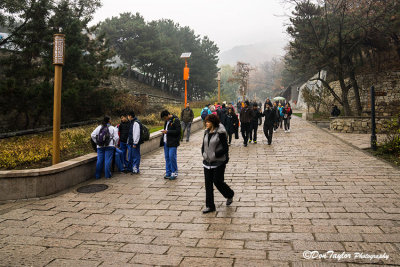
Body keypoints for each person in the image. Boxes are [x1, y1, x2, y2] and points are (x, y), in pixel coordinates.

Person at [201, 114, 234, 214]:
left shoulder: (220, 133)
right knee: (208, 184)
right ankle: (210, 206)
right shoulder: (206, 132)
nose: (206, 123)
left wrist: (215, 154)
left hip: (218, 162)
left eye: (208, 122)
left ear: (213, 123)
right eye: (206, 122)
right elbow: (203, 145)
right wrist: (203, 153)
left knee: (217, 181)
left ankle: (229, 194)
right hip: (207, 162)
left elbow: (225, 148)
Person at [160, 110, 181, 180]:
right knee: (167, 158)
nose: (165, 119)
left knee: (172, 157)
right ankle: (168, 172)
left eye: (165, 118)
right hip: (166, 142)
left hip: (173, 142)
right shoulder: (167, 121)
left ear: (168, 115)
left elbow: (178, 131)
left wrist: (168, 132)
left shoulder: (176, 120)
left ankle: (174, 172)